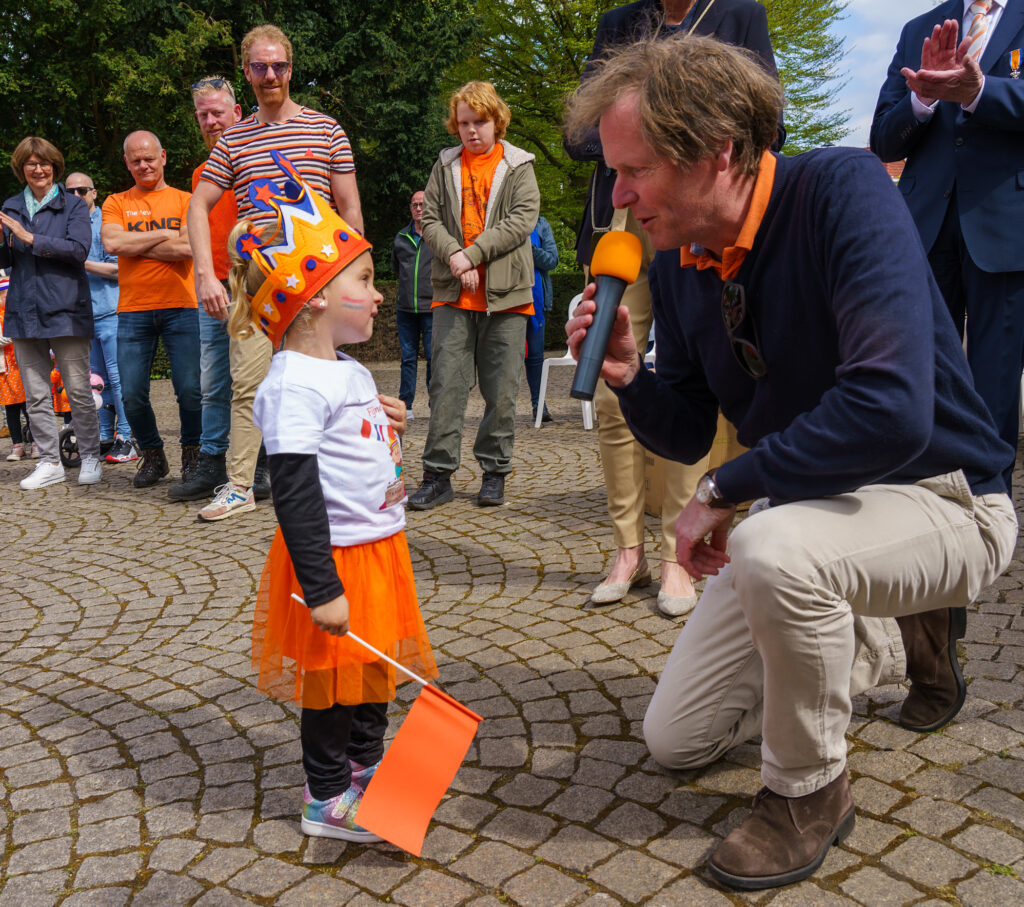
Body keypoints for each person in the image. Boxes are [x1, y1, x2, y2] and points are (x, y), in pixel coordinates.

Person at [563, 35, 1016, 890]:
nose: (617, 195)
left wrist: (724, 492)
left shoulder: (841, 190)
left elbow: (890, 407)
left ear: (718, 152)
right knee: (677, 740)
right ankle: (887, 628)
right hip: (824, 510)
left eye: (636, 170)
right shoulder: (685, 262)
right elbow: (689, 427)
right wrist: (627, 376)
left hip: (947, 497)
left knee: (772, 550)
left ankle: (810, 790)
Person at [229, 151, 436, 841]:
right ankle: (324, 796)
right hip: (333, 561)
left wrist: (389, 419)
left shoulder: (344, 369)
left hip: (378, 550)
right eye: (368, 281)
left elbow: (356, 435)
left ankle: (365, 771)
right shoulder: (290, 383)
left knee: (374, 674)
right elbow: (292, 491)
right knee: (331, 683)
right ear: (315, 295)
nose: (380, 295)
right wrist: (320, 587)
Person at [565, 0, 784, 616]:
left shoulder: (740, 14)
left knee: (706, 387)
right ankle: (625, 548)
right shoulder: (618, 22)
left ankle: (674, 556)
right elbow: (579, 132)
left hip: (698, 212)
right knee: (611, 388)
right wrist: (633, 147)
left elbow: (767, 125)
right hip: (622, 231)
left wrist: (671, 131)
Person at [188, 23, 363, 522]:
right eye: (260, 67)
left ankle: (340, 475)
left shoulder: (327, 129)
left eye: (279, 66)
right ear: (247, 72)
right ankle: (241, 485)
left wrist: (350, 277)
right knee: (249, 384)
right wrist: (206, 274)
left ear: (291, 68)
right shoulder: (234, 140)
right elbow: (198, 207)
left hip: (316, 273)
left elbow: (350, 210)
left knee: (324, 377)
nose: (270, 75)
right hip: (255, 279)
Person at [871, 3, 1024, 490]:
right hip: (924, 226)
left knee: (993, 378)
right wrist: (921, 100)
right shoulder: (919, 28)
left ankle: (989, 498)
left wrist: (980, 92)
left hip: (1005, 226)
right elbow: (883, 141)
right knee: (919, 367)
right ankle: (919, 491)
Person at [409, 81, 540, 510]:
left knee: (501, 392)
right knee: (445, 386)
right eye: (463, 122)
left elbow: (522, 220)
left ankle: (495, 472)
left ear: (496, 121)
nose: (471, 130)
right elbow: (429, 220)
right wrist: (455, 257)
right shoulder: (443, 164)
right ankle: (437, 475)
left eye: (479, 121)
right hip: (452, 293)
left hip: (507, 296)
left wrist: (474, 254)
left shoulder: (520, 164)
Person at [0, 136, 102, 489]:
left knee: (77, 390)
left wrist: (29, 238)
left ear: (54, 166)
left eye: (44, 163)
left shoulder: (72, 206)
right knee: (36, 394)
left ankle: (89, 455)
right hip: (23, 311)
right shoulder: (11, 207)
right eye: (30, 163)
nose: (38, 168)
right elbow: (6, 260)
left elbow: (78, 250)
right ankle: (49, 461)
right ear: (21, 168)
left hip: (67, 310)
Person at [101, 130, 200, 489]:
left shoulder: (187, 200)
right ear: (127, 162)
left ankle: (193, 455)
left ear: (163, 157)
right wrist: (164, 235)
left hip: (182, 306)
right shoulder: (115, 201)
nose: (144, 165)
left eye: (149, 158)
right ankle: (153, 456)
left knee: (190, 389)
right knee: (130, 393)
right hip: (132, 309)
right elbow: (112, 242)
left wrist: (136, 244)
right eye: (136, 160)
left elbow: (188, 248)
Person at [167, 76, 243, 502]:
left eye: (218, 112)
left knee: (259, 379)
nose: (211, 121)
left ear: (237, 112)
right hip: (212, 288)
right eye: (203, 115)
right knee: (213, 382)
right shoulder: (202, 173)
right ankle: (212, 463)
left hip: (257, 287)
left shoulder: (258, 158)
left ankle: (264, 465)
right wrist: (204, 276)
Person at [64, 172, 135, 464]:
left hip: (111, 311)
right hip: (82, 316)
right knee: (96, 383)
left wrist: (81, 262)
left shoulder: (108, 222)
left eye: (82, 190)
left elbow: (118, 269)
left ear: (94, 193)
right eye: (70, 192)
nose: (77, 196)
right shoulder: (66, 226)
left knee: (119, 380)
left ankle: (128, 439)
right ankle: (105, 435)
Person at [391, 190, 434, 419]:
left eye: (422, 204)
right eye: (415, 204)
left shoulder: (437, 236)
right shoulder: (400, 237)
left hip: (431, 308)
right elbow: (396, 268)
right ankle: (405, 405)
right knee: (407, 358)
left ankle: (434, 403)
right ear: (410, 208)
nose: (419, 208)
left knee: (432, 356)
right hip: (405, 309)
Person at [525, 215, 559, 424]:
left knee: (536, 357)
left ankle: (539, 405)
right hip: (507, 299)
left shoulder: (541, 224)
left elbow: (552, 261)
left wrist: (529, 248)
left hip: (536, 300)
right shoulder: (501, 219)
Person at [0, 272, 31, 461]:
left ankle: (36, 442)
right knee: (10, 407)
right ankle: (17, 445)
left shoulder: (18, 314)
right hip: (4, 369)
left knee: (28, 405)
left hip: (21, 365)